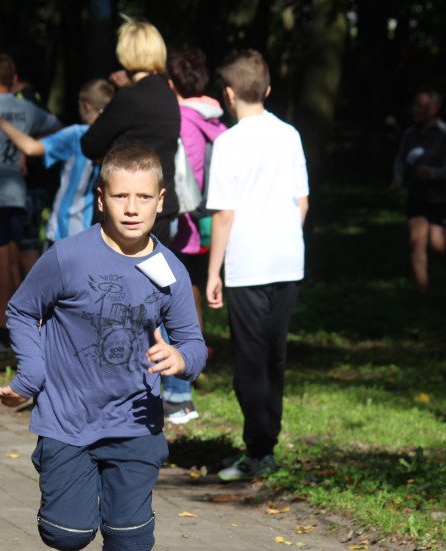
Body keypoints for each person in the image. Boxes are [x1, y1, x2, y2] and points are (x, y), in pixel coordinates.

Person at [0, 144, 206, 551]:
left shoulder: (171, 271)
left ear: (161, 201)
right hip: (67, 419)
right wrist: (33, 374)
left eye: (142, 197)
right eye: (120, 196)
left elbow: (195, 345)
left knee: (132, 536)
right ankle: (61, 480)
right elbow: (21, 310)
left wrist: (180, 358)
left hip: (136, 424)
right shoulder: (67, 256)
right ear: (100, 198)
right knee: (65, 535)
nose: (131, 208)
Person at [205, 49, 309, 481]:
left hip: (247, 265)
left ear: (228, 94)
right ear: (266, 89)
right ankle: (268, 446)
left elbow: (224, 214)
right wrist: (283, 235)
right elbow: (302, 202)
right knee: (274, 356)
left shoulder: (227, 143)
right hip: (288, 261)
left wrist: (213, 271)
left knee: (249, 360)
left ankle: (257, 451)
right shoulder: (290, 135)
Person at [0, 54, 61, 352]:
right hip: (16, 194)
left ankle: (2, 332)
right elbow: (57, 128)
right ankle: (23, 327)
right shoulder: (26, 107)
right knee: (11, 260)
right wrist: (25, 142)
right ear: (13, 78)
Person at [161, 46, 229, 425]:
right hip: (212, 223)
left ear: (172, 82)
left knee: (176, 301)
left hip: (185, 223)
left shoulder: (182, 118)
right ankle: (194, 367)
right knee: (193, 294)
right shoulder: (217, 119)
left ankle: (180, 388)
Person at [80, 17, 180, 245]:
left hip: (125, 210)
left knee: (113, 279)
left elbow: (89, 144)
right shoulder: (169, 96)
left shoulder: (129, 98)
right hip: (159, 206)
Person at [0, 79, 115, 246]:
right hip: (97, 230)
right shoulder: (115, 139)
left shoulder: (76, 135)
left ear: (86, 106)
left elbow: (31, 148)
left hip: (64, 230)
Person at [390, 87, 446, 294]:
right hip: (417, 194)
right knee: (416, 241)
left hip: (442, 197)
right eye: (415, 105)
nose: (416, 110)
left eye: (421, 106)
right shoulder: (410, 134)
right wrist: (398, 179)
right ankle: (422, 293)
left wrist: (435, 173)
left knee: (438, 244)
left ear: (433, 110)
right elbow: (400, 159)